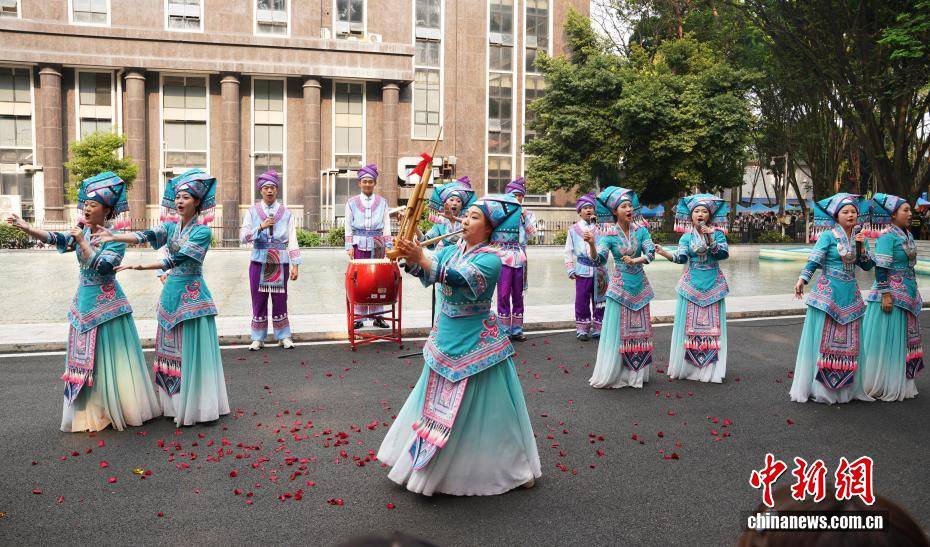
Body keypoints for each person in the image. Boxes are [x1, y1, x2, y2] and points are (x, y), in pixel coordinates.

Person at [377, 194, 541, 496]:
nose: (465, 220)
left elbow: (456, 278)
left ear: (490, 228)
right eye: (466, 215)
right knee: (429, 403)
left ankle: (508, 468)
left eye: (475, 217)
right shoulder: (451, 249)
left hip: (478, 344)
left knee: (492, 414)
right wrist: (408, 258)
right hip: (445, 338)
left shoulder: (493, 258)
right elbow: (429, 273)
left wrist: (422, 257)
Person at [7, 172, 160, 432]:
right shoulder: (83, 233)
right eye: (86, 204)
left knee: (110, 362)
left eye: (93, 205)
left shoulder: (114, 239)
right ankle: (92, 411)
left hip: (108, 308)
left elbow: (103, 267)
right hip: (83, 304)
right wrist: (27, 227)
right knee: (86, 361)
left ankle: (116, 409)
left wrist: (81, 242)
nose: (87, 208)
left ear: (107, 210)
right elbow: (56, 239)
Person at [97, 168, 230, 426]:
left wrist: (139, 267)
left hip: (192, 300)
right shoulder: (170, 227)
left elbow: (176, 259)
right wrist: (116, 235)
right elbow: (144, 236)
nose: (180, 202)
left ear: (198, 203)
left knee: (190, 354)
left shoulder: (202, 232)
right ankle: (174, 406)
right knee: (169, 351)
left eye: (186, 198)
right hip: (170, 297)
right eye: (178, 197)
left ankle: (198, 406)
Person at [789, 193, 874, 404]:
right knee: (822, 341)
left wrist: (862, 246)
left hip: (850, 294)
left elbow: (866, 265)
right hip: (827, 295)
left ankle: (847, 390)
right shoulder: (827, 236)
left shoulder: (860, 236)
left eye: (853, 211)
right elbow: (814, 261)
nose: (850, 215)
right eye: (845, 212)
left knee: (850, 342)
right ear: (836, 216)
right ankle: (820, 388)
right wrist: (802, 279)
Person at [655, 194, 730, 383]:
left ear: (710, 216)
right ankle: (689, 369)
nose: (700, 214)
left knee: (713, 330)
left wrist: (711, 237)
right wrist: (664, 253)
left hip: (713, 285)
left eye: (704, 211)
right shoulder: (686, 237)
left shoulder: (718, 233)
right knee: (688, 329)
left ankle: (711, 370)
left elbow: (722, 254)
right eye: (696, 211)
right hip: (691, 286)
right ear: (690, 216)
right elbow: (681, 258)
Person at [588, 187, 657, 389]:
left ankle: (637, 375)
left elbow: (651, 253)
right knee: (617, 331)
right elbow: (598, 260)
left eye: (629, 206)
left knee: (641, 333)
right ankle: (617, 372)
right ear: (615, 212)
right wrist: (592, 244)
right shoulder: (608, 235)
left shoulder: (642, 231)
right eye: (623, 206)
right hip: (619, 289)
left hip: (640, 287)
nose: (628, 209)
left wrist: (636, 260)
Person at [859, 193, 922, 401]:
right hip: (891, 297)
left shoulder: (908, 236)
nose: (910, 213)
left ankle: (898, 380)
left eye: (910, 210)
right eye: (906, 210)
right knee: (887, 341)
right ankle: (884, 382)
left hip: (907, 294)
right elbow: (880, 270)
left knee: (902, 340)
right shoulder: (887, 237)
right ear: (893, 215)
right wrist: (886, 295)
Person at [240, 170, 301, 351]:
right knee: (258, 299)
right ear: (260, 190)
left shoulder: (286, 213)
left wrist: (295, 264)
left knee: (280, 299)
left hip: (280, 260)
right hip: (259, 260)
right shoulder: (252, 212)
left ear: (277, 190)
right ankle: (258, 337)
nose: (269, 191)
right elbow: (243, 237)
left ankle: (283, 336)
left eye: (273, 187)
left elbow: (292, 238)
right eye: (266, 187)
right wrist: (261, 226)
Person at [344, 164, 392, 329]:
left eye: (370, 181)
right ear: (359, 183)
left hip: (378, 245)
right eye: (364, 181)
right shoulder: (351, 202)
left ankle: (378, 316)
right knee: (360, 281)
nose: (367, 184)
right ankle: (359, 317)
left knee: (378, 280)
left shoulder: (383, 202)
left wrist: (389, 245)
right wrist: (349, 245)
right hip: (358, 245)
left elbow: (386, 225)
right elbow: (348, 225)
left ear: (375, 183)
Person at [497, 177, 537, 341]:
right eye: (514, 195)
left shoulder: (527, 214)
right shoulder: (500, 214)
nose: (517, 198)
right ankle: (504, 329)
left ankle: (517, 329)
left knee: (518, 294)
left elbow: (532, 233)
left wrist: (524, 217)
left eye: (520, 195)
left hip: (520, 257)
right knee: (504, 293)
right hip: (504, 257)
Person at [563, 192, 607, 341]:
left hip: (599, 270)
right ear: (579, 211)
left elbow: (605, 247)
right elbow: (568, 251)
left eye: (591, 207)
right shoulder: (573, 229)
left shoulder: (601, 228)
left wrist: (597, 226)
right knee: (581, 300)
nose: (589, 210)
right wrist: (570, 268)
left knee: (600, 301)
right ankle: (582, 329)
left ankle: (599, 328)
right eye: (585, 208)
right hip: (582, 269)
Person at [422, 176, 475, 252]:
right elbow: (427, 241)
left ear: (462, 206)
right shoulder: (440, 222)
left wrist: (453, 218)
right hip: (444, 256)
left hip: (463, 255)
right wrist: (414, 225)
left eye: (458, 201)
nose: (454, 203)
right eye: (451, 200)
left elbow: (474, 229)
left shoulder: (467, 221)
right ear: (445, 203)